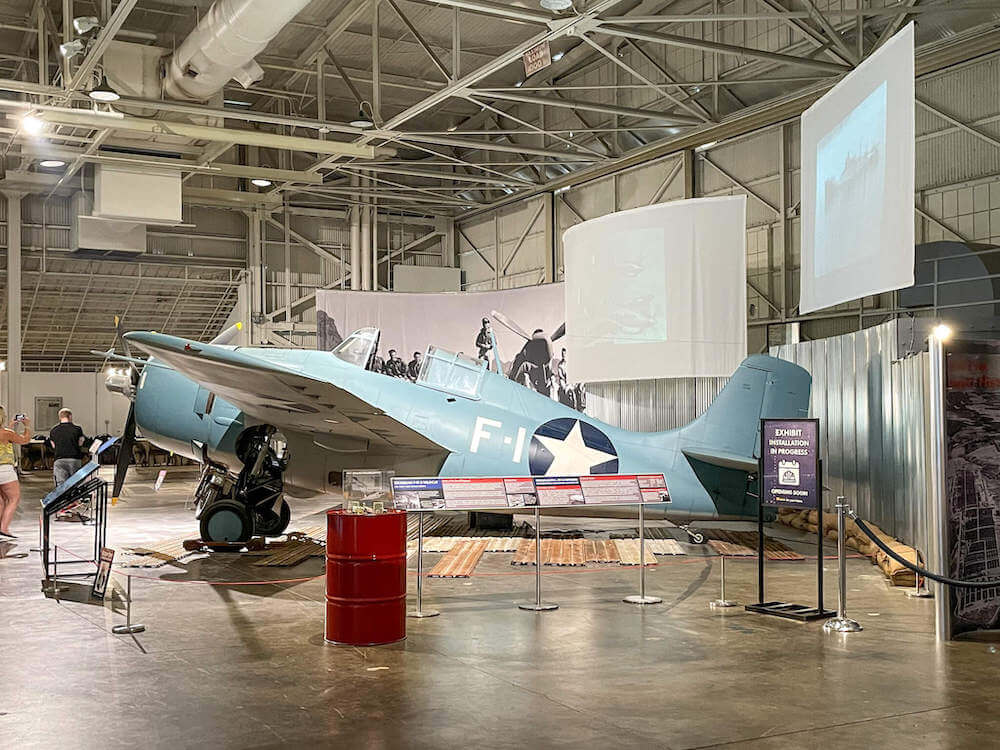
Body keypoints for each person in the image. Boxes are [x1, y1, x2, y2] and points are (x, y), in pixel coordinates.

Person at [0, 407, 31, 538]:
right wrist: (27, 427)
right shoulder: (5, 432)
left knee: (1, 501)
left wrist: (11, 427)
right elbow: (24, 440)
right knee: (14, 498)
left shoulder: (7, 432)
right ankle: (4, 528)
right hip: (4, 469)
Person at [47, 408, 87, 487]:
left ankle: (63, 499)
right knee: (76, 483)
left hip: (59, 459)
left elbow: (53, 446)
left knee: (61, 485)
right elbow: (80, 443)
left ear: (59, 417)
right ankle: (75, 499)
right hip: (74, 459)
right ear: (70, 416)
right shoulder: (77, 429)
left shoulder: (53, 430)